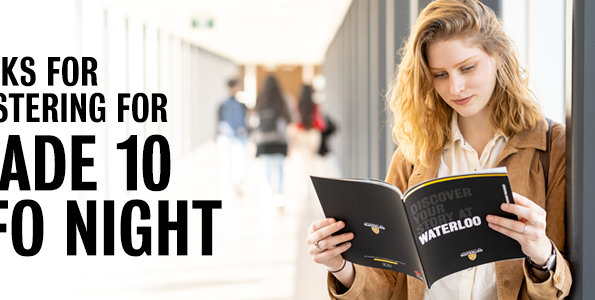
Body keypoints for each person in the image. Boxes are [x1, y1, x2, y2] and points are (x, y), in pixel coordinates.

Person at [306, 0, 572, 299]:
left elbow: (559, 288)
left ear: (498, 56)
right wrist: (341, 266)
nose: (455, 87)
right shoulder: (413, 154)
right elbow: (390, 280)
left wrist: (542, 254)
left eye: (467, 68)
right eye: (440, 74)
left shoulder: (551, 147)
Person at [253, 75, 292, 207]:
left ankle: (269, 196)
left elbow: (254, 122)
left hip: (264, 141)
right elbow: (289, 120)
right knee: (279, 168)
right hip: (279, 141)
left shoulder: (260, 100)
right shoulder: (282, 100)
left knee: (267, 169)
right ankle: (279, 195)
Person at [216, 77, 248, 197]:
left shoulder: (241, 105)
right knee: (226, 162)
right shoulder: (223, 104)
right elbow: (218, 120)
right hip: (226, 137)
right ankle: (228, 187)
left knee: (239, 162)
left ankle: (236, 185)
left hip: (238, 137)